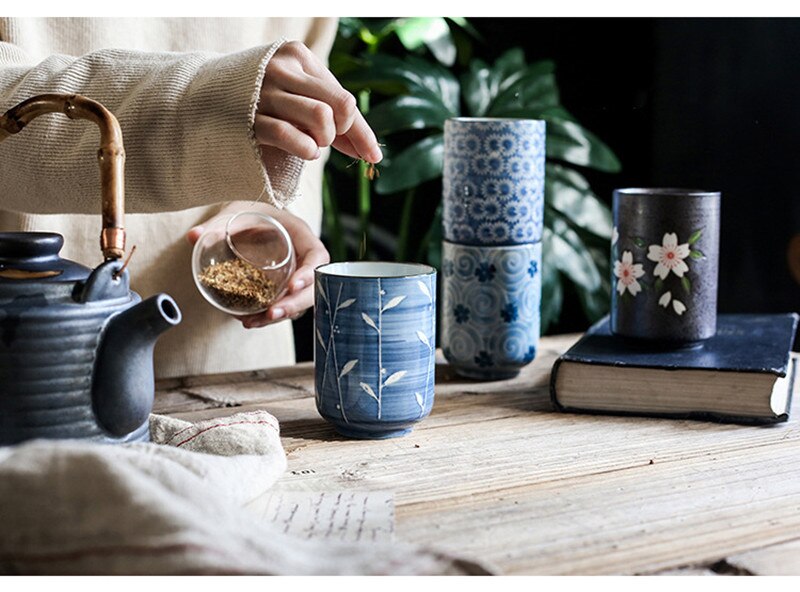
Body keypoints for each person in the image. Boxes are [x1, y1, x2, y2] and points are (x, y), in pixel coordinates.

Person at [0, 17, 382, 378]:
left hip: (241, 378)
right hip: (36, 361)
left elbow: (308, 133)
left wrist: (273, 210)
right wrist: (204, 100)